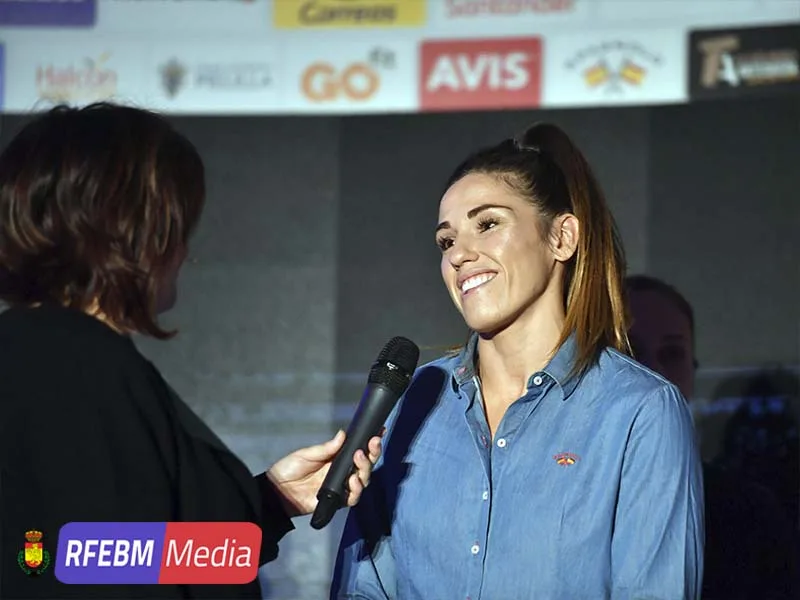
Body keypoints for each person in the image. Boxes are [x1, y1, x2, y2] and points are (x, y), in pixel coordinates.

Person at [0, 103, 382, 600]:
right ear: (130, 226)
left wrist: (272, 500)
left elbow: (101, 552)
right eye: (176, 224)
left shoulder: (54, 355)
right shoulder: (75, 367)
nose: (184, 251)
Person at [331, 123, 704, 599]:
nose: (460, 255)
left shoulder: (639, 410)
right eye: (446, 241)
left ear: (562, 237)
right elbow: (364, 586)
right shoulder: (416, 400)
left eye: (487, 225)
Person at [626, 274, 800, 600]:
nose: (654, 372)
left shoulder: (749, 516)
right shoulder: (559, 498)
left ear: (692, 370)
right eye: (630, 351)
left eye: (672, 353)